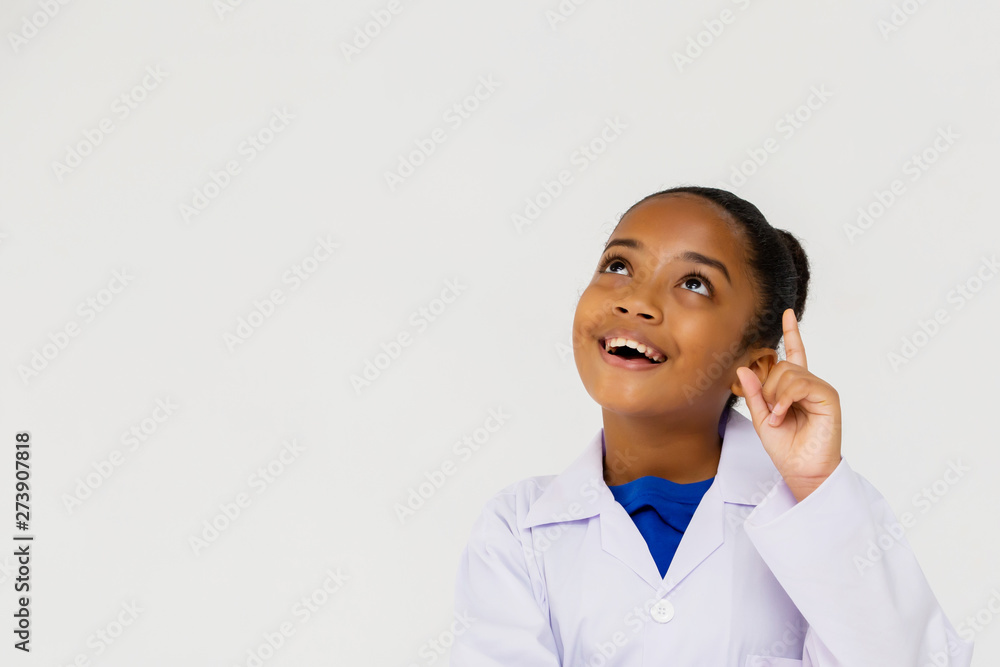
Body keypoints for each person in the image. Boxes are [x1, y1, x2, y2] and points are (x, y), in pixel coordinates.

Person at [450, 186, 974, 666]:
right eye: (618, 265)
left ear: (755, 367)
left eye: (694, 284)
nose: (636, 300)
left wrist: (816, 487)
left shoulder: (823, 513)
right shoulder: (516, 531)